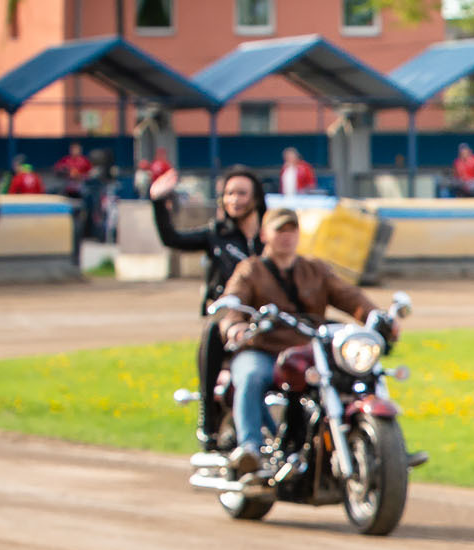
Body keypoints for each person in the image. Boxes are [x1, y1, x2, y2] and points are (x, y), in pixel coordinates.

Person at [214, 208, 375, 474]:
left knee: (352, 375)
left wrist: (377, 317)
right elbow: (233, 302)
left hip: (307, 352)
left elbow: (349, 296)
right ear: (265, 234)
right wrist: (235, 326)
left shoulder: (315, 269)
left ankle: (362, 441)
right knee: (251, 376)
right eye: (280, 231)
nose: (287, 237)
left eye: (292, 231)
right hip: (262, 349)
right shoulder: (250, 270)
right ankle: (250, 448)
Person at [152, 164, 267, 449]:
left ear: (256, 198)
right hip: (227, 318)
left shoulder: (271, 235)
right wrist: (158, 202)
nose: (234, 199)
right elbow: (173, 239)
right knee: (212, 331)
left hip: (266, 317)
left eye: (241, 193)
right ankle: (208, 418)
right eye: (229, 194)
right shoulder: (216, 234)